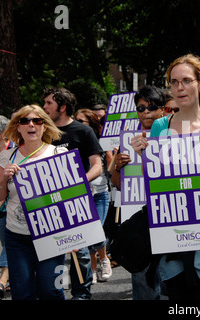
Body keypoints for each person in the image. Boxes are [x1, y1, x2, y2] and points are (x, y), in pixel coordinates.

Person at [133, 54, 200, 300]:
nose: (180, 87)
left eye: (187, 80)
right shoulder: (160, 126)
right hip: (170, 225)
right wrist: (143, 157)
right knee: (177, 296)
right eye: (174, 81)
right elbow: (153, 180)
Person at [0, 105, 67, 300]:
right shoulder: (6, 156)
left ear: (44, 126)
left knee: (51, 290)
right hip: (18, 237)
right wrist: (2, 179)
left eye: (37, 121)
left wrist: (75, 234)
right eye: (25, 121)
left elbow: (71, 197)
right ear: (18, 127)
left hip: (51, 235)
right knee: (22, 293)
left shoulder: (58, 153)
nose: (31, 125)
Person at [43, 87, 103, 300]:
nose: (44, 107)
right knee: (51, 253)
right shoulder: (42, 132)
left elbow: (97, 166)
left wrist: (77, 183)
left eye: (49, 103)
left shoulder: (83, 131)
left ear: (63, 106)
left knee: (81, 253)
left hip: (77, 201)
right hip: (48, 204)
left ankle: (81, 295)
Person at [111, 85, 165, 300]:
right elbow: (118, 185)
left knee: (168, 277)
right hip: (140, 218)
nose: (146, 112)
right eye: (141, 108)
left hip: (170, 214)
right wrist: (117, 166)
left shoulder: (174, 135)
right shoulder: (127, 140)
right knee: (142, 276)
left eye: (151, 107)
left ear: (162, 109)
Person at [74, 109, 112, 284]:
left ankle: (104, 259)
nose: (77, 124)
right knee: (87, 234)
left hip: (100, 194)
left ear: (91, 125)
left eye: (82, 121)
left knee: (96, 230)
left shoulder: (102, 142)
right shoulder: (72, 143)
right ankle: (93, 269)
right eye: (76, 120)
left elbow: (109, 168)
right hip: (81, 195)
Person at [0, 115, 15, 298]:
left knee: (11, 242)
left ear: (3, 132)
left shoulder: (14, 150)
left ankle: (2, 280)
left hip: (13, 206)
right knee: (6, 242)